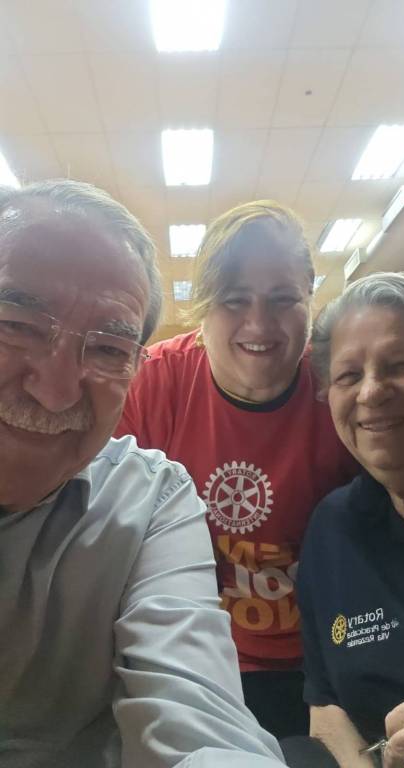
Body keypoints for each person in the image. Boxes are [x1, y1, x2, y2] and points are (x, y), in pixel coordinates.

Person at [0, 179, 291, 768]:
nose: (56, 391)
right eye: (16, 323)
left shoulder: (152, 498)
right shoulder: (171, 389)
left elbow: (196, 720)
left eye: (108, 349)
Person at [116, 200, 356, 739]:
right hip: (199, 655)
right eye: (234, 299)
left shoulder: (344, 386)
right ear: (203, 306)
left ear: (310, 298)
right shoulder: (152, 383)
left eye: (283, 299)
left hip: (331, 653)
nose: (259, 324)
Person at [297, 271, 404, 768]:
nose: (372, 392)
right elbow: (326, 707)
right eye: (348, 376)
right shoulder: (332, 529)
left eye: (402, 366)